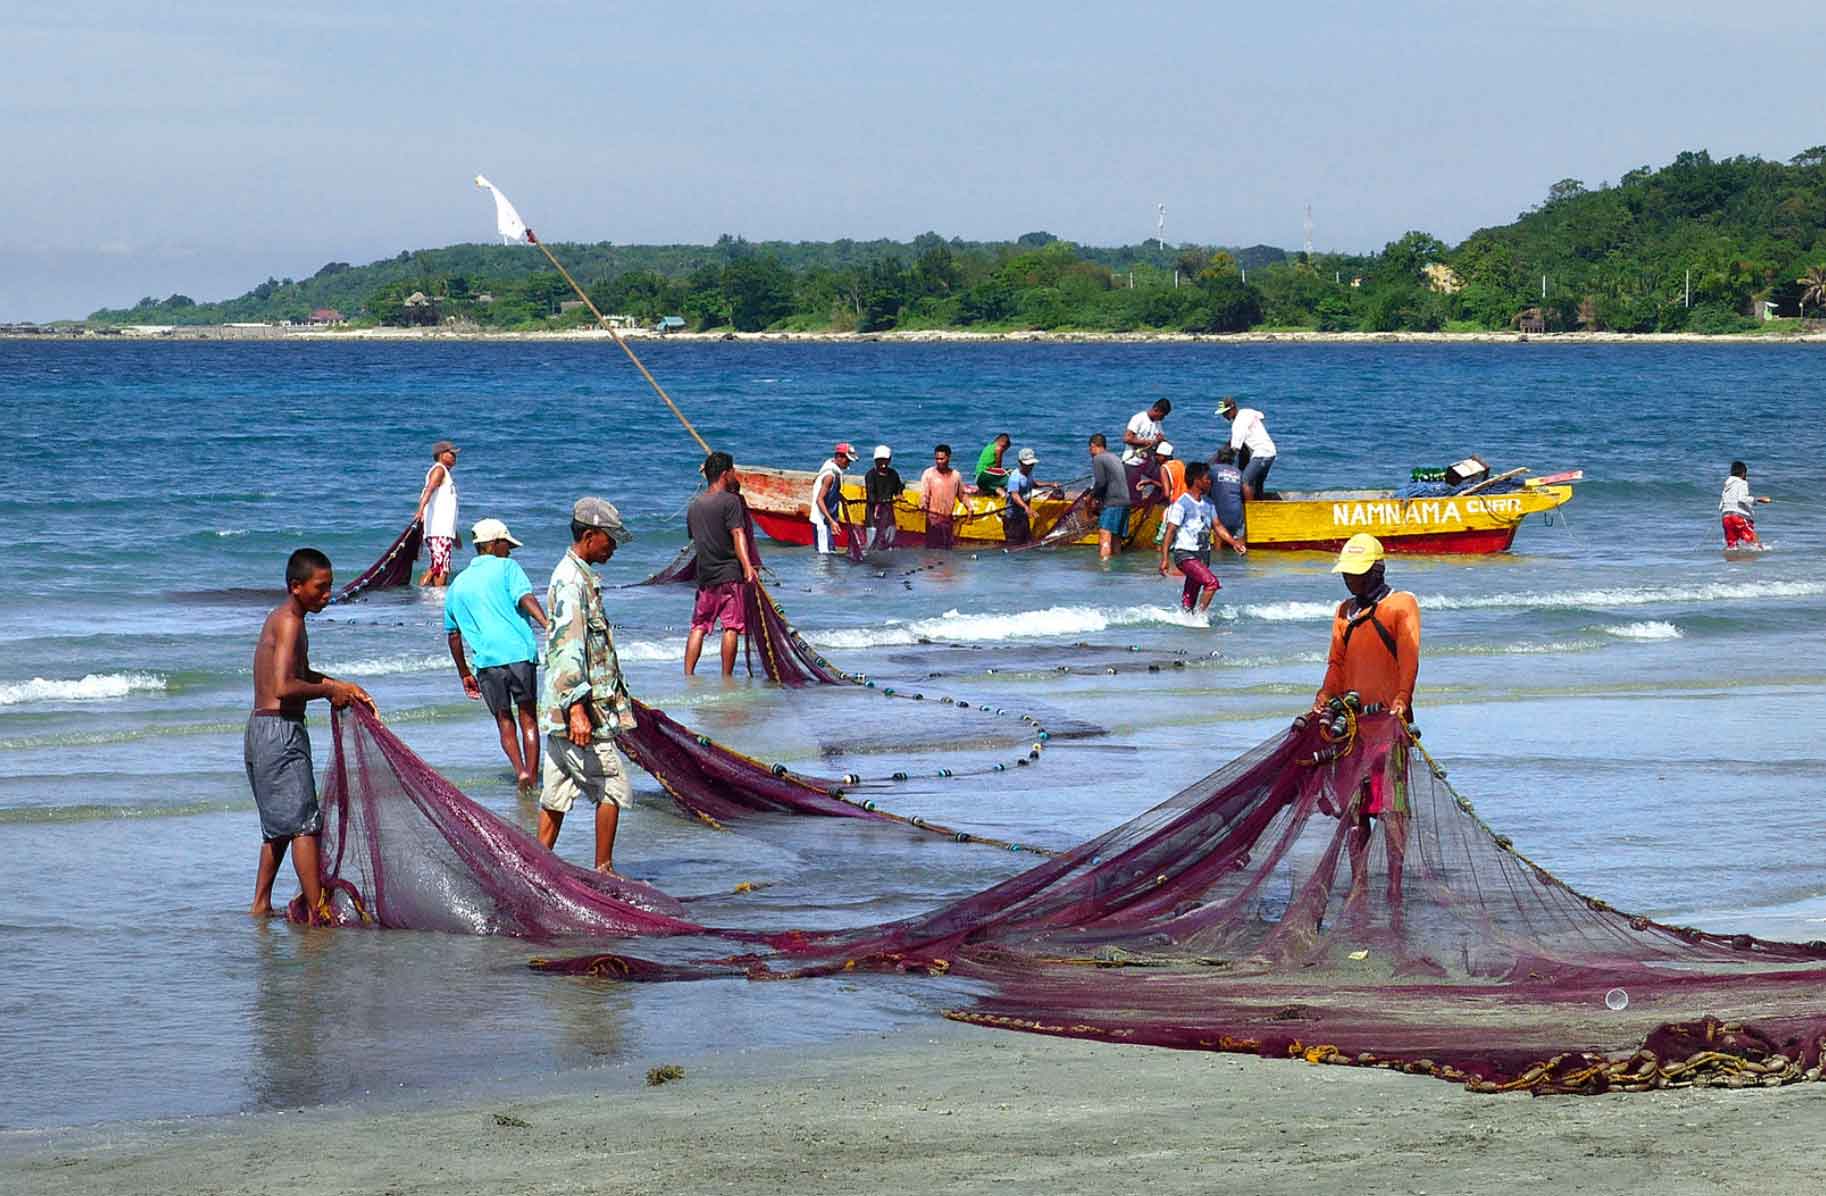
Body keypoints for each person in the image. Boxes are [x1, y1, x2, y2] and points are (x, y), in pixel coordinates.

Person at [247, 548, 376, 918]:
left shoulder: (282, 618)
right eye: (320, 588)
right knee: (304, 822)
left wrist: (342, 686)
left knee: (279, 825)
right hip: (281, 732)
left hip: (262, 729)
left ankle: (260, 905)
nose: (327, 595)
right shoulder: (290, 622)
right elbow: (286, 686)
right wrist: (329, 691)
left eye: (330, 587)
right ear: (296, 586)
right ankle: (319, 910)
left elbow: (296, 677)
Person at [1309, 533, 1420, 907]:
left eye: (1358, 574)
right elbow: (1336, 665)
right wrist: (1324, 697)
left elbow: (1409, 658)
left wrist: (1403, 699)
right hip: (1351, 727)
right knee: (1355, 809)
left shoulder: (1401, 605)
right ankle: (1359, 882)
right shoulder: (1344, 612)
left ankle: (1394, 884)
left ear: (1377, 570)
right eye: (1347, 574)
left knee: (1391, 809)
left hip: (1389, 725)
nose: (1350, 580)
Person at [539, 498, 638, 875]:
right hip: (579, 714)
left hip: (562, 712)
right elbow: (567, 649)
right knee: (613, 787)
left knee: (557, 793)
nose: (612, 547)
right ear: (589, 536)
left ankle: (537, 867)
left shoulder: (579, 577)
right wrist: (578, 709)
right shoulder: (570, 581)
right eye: (609, 539)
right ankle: (605, 870)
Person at [444, 518, 549, 792]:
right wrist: (548, 624)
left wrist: (464, 672)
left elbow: (453, 635)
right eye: (507, 544)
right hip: (519, 655)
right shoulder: (508, 568)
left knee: (504, 720)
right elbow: (524, 597)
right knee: (528, 717)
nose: (510, 550)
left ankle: (520, 773)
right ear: (493, 544)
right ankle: (533, 776)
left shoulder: (458, 584)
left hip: (486, 663)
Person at [685, 452, 759, 676]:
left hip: (705, 576)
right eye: (733, 471)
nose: (735, 475)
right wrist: (747, 567)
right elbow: (738, 534)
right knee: (731, 627)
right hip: (729, 575)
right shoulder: (731, 501)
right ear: (726, 473)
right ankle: (726, 676)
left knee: (699, 626)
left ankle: (688, 675)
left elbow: (693, 536)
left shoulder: (695, 505)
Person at [1158, 463, 1245, 613]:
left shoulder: (1209, 504)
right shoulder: (1182, 504)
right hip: (1185, 554)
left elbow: (1217, 526)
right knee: (1212, 583)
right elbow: (1170, 531)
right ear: (1197, 481)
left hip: (1203, 555)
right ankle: (1199, 616)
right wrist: (1165, 558)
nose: (1210, 482)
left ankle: (1186, 618)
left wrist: (1234, 543)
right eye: (1207, 479)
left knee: (1191, 594)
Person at [414, 440, 461, 586]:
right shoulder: (439, 470)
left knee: (438, 565)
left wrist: (454, 533)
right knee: (441, 567)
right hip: (438, 530)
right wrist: (420, 511)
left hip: (443, 530)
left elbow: (447, 509)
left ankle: (429, 594)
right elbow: (428, 490)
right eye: (451, 453)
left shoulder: (443, 472)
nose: (454, 457)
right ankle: (437, 597)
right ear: (441, 455)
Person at [1218, 397, 1277, 496]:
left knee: (1245, 482)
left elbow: (1235, 449)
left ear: (1233, 409)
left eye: (1226, 412)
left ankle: (1250, 509)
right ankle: (1260, 505)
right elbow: (1261, 416)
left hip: (1261, 454)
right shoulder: (1247, 412)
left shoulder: (1237, 424)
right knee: (1257, 483)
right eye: (1223, 413)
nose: (1224, 415)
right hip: (1271, 452)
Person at [918, 443, 972, 549]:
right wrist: (923, 503)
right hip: (932, 520)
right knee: (931, 552)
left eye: (942, 459)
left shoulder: (956, 475)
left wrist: (969, 507)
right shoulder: (929, 474)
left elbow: (962, 495)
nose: (939, 461)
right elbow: (924, 494)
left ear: (948, 457)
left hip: (948, 521)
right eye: (937, 459)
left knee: (947, 552)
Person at [1087, 433, 1131, 560]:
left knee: (1105, 536)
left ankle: (1104, 568)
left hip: (1113, 502)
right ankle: (1115, 574)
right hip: (1125, 501)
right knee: (1116, 539)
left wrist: (1092, 497)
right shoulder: (1115, 457)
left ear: (1093, 446)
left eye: (1090, 449)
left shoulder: (1098, 459)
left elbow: (1100, 482)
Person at [809, 442, 855, 555]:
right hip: (822, 522)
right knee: (824, 556)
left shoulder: (830, 464)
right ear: (839, 457)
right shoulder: (830, 475)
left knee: (830, 552)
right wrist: (832, 521)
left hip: (827, 521)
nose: (848, 463)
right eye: (847, 460)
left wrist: (841, 498)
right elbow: (819, 500)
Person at [1719, 460, 1772, 549]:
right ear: (1743, 473)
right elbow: (1742, 498)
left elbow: (1721, 506)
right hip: (1738, 518)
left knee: (1732, 546)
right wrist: (1759, 499)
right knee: (1756, 544)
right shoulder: (1742, 482)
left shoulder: (1726, 486)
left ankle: (1732, 561)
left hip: (1725, 519)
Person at [1209, 445, 1251, 548]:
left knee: (1218, 545)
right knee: (1241, 547)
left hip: (1221, 512)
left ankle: (1219, 560)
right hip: (1237, 513)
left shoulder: (1213, 470)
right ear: (1232, 459)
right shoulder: (1238, 472)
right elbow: (1246, 489)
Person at [863, 445, 903, 551]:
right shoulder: (870, 475)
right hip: (873, 514)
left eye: (886, 461)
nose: (883, 464)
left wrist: (899, 494)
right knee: (873, 542)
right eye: (880, 461)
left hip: (888, 513)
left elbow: (898, 488)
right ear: (875, 461)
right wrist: (876, 507)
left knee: (889, 540)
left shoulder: (893, 474)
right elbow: (871, 494)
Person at [1003, 447, 1043, 544]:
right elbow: (1014, 495)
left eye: (1032, 464)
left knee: (1027, 544)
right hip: (1013, 519)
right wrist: (1026, 507)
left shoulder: (1028, 473)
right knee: (1014, 545)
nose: (1030, 467)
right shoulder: (1015, 477)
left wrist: (1050, 484)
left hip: (1023, 517)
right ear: (1020, 463)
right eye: (1028, 465)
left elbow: (1032, 483)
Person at [1122, 399, 1171, 466]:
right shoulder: (1139, 418)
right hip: (1132, 462)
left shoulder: (1157, 423)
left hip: (1147, 464)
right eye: (1162, 415)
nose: (1163, 418)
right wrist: (1147, 442)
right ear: (1156, 409)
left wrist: (1162, 441)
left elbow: (1159, 439)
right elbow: (1127, 439)